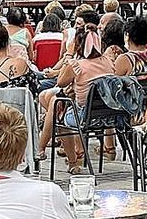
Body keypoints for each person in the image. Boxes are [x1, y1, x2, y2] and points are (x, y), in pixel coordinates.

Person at [37, 23, 115, 173]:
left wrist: (69, 54)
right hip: (108, 115)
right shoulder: (108, 61)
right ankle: (44, 149)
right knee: (57, 105)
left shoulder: (77, 65)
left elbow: (60, 81)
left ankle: (54, 154)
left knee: (57, 109)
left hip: (83, 117)